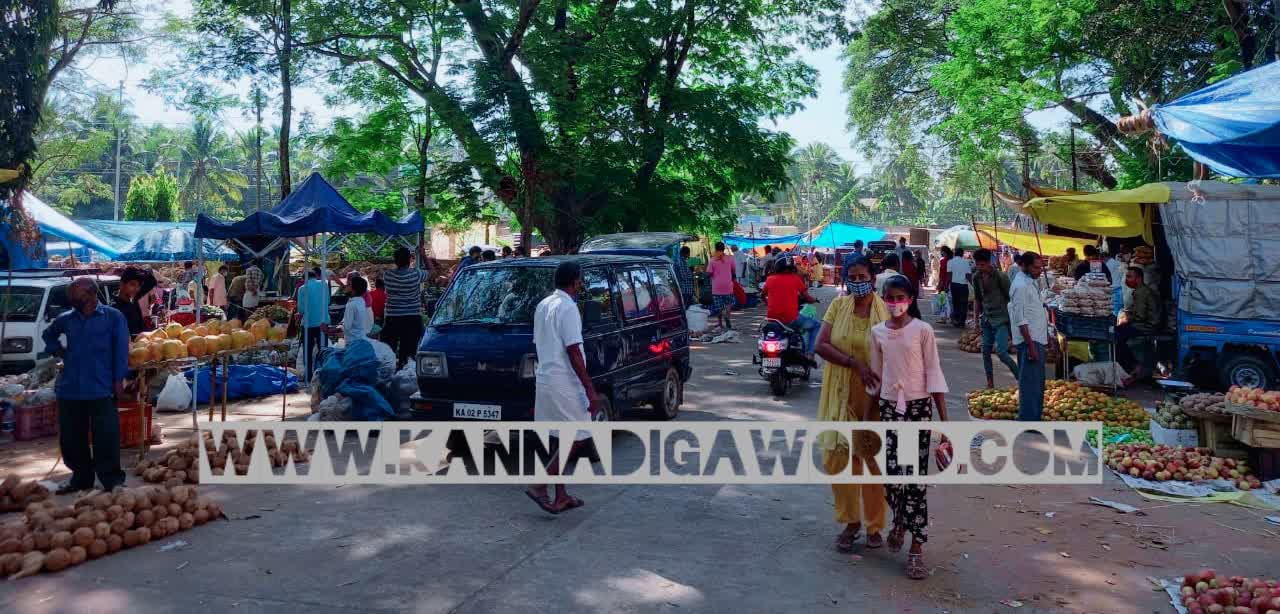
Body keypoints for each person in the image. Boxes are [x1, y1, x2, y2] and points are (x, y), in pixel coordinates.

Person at [867, 274, 949, 580]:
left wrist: (945, 423)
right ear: (883, 299)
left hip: (918, 409)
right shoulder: (877, 332)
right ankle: (900, 520)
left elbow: (934, 374)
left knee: (914, 481)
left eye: (900, 298)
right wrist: (867, 418)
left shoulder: (922, 330)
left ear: (910, 299)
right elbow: (875, 378)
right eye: (890, 298)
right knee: (892, 477)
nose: (895, 303)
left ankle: (916, 548)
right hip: (890, 409)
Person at [815, 256, 888, 553]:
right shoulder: (838, 306)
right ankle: (851, 522)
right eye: (852, 277)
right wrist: (854, 363)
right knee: (838, 459)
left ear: (873, 278)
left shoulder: (885, 310)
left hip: (875, 397)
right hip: (841, 392)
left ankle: (874, 526)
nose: (858, 282)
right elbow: (820, 344)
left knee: (872, 461)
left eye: (863, 277)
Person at [525, 261, 601, 515]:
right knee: (580, 434)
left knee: (563, 437)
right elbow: (573, 351)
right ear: (574, 281)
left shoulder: (543, 305)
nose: (582, 283)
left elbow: (542, 344)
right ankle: (539, 485)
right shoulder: (568, 307)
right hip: (564, 381)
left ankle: (561, 495)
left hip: (546, 378)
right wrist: (589, 389)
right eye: (580, 279)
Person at [42, 277, 130, 494]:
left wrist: (119, 380)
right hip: (71, 388)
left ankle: (111, 479)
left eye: (76, 294)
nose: (71, 298)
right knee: (72, 438)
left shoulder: (113, 317)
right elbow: (48, 335)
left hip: (101, 386)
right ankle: (81, 478)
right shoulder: (66, 319)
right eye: (70, 294)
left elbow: (121, 351)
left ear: (91, 294)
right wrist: (58, 350)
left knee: (106, 436)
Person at [1008, 252, 1049, 421]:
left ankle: (1032, 417)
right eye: (1036, 267)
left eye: (1040, 267)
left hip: (1036, 338)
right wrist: (1031, 346)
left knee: (1036, 382)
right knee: (1031, 382)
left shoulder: (1030, 282)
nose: (1039, 271)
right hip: (1030, 340)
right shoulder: (1020, 286)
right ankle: (1029, 419)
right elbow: (1021, 319)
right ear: (1024, 266)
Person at [971, 249, 1018, 388]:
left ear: (989, 262)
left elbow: (1011, 299)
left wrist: (1013, 323)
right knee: (985, 351)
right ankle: (990, 382)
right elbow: (977, 299)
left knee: (1001, 352)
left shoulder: (1001, 277)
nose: (980, 268)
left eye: (982, 265)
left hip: (1001, 319)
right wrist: (976, 321)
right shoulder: (976, 277)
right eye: (977, 265)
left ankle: (1019, 376)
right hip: (986, 319)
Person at [761, 257, 819, 360]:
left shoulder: (770, 279)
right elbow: (807, 298)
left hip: (773, 320)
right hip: (791, 320)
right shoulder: (795, 279)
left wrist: (768, 304)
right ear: (792, 267)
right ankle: (810, 353)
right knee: (816, 325)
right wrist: (814, 300)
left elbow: (762, 296)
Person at [382, 247, 427, 368]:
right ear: (409, 260)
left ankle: (391, 371)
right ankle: (405, 370)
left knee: (389, 350)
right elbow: (433, 272)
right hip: (412, 317)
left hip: (393, 318)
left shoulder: (387, 275)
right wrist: (423, 255)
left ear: (395, 260)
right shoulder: (416, 274)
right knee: (408, 352)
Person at [1116, 266, 1161, 384]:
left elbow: (1140, 317)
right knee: (1118, 331)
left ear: (1139, 278)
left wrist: (1127, 318)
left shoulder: (1142, 292)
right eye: (1126, 277)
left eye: (1130, 277)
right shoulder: (1140, 291)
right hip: (1145, 324)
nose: (1127, 279)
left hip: (1147, 326)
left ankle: (1132, 365)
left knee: (1117, 335)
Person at [296, 269, 331, 381]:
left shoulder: (302, 288)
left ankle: (309, 376)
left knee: (308, 351)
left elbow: (301, 309)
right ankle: (324, 375)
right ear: (315, 276)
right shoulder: (324, 284)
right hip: (323, 322)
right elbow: (328, 301)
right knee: (323, 350)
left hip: (308, 323)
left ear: (303, 279)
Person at [113, 266, 157, 336]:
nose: (137, 289)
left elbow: (151, 281)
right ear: (122, 285)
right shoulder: (115, 308)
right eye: (132, 284)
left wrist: (140, 271)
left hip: (140, 341)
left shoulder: (134, 301)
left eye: (139, 285)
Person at [706, 241, 736, 331]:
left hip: (717, 287)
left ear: (716, 249)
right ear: (724, 249)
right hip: (728, 285)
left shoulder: (712, 260)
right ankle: (727, 317)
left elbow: (709, 273)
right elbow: (733, 271)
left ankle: (720, 323)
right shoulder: (730, 259)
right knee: (728, 303)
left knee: (718, 307)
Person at [341, 275, 372, 345]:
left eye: (348, 285)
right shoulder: (361, 301)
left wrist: (330, 330)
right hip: (360, 338)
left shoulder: (351, 304)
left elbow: (346, 327)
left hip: (352, 341)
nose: (346, 286)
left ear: (354, 290)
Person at [948, 247, 972, 327]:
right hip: (963, 285)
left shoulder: (950, 262)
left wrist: (949, 285)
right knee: (964, 303)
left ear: (955, 253)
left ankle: (957, 320)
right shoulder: (966, 262)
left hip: (954, 285)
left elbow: (949, 275)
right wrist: (972, 284)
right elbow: (968, 275)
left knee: (956, 303)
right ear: (962, 254)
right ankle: (962, 322)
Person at [1104, 249, 1125, 315]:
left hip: (1112, 289)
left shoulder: (1106, 265)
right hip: (1120, 288)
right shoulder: (1119, 263)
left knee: (1113, 311)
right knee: (1119, 310)